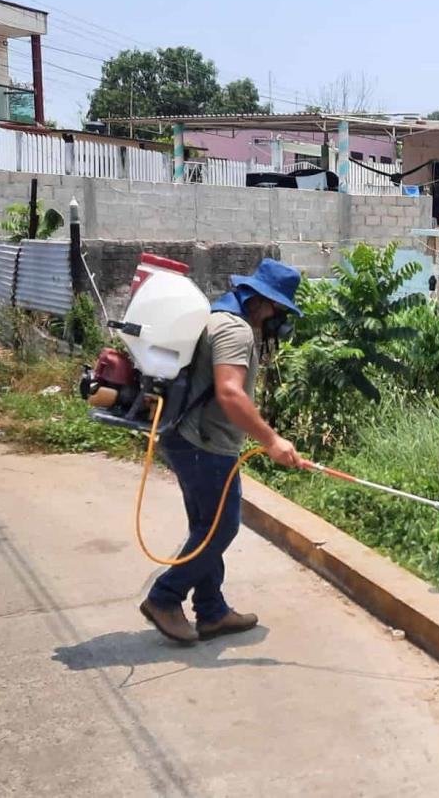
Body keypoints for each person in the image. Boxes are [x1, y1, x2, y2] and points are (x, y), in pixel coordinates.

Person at [139, 257, 307, 644]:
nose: (278, 320)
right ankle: (164, 597)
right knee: (223, 527)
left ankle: (211, 612)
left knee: (206, 527)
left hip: (187, 437)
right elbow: (230, 392)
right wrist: (272, 440)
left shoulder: (218, 316)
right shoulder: (236, 331)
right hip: (205, 445)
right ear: (264, 303)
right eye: (280, 310)